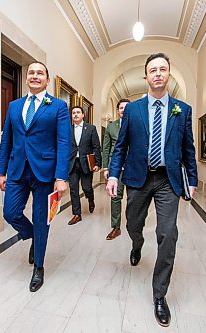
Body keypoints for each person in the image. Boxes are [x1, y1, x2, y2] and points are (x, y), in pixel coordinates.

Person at [106, 53, 198, 327]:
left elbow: (188, 149)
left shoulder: (182, 110)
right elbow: (120, 146)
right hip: (137, 178)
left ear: (168, 74)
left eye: (163, 69)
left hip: (168, 180)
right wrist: (113, 175)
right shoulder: (132, 110)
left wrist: (191, 179)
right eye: (152, 70)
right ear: (146, 76)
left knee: (167, 234)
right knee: (133, 223)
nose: (158, 74)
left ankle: (160, 295)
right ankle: (136, 243)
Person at [0, 62, 70, 292]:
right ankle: (32, 236)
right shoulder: (14, 106)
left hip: (45, 173)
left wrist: (61, 176)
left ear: (47, 80)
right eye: (31, 73)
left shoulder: (58, 106)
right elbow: (6, 139)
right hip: (17, 169)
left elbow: (63, 142)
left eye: (40, 73)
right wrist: (1, 171)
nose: (35, 76)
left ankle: (39, 266)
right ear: (26, 78)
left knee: (41, 219)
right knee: (10, 212)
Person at [68, 106, 101, 225]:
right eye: (73, 113)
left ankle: (91, 199)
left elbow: (96, 146)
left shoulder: (91, 128)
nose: (75, 114)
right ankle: (77, 214)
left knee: (87, 187)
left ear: (83, 115)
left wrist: (98, 163)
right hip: (72, 163)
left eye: (78, 112)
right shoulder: (68, 129)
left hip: (86, 163)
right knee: (73, 190)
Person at [102, 98, 130, 240]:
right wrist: (106, 167)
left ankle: (133, 225)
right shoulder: (111, 126)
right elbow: (106, 148)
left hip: (132, 167)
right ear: (118, 111)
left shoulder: (137, 124)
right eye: (121, 108)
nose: (124, 110)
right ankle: (116, 227)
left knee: (133, 198)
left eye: (126, 107)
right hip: (116, 167)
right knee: (115, 197)